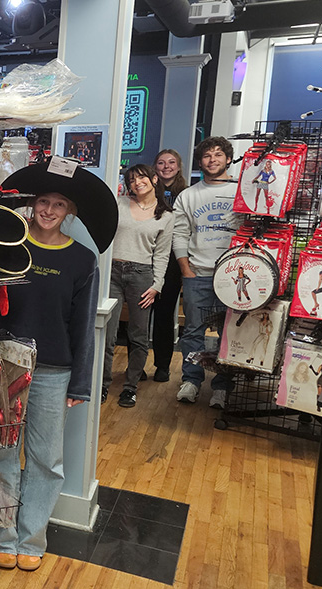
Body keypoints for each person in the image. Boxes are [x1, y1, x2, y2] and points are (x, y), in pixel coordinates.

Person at [0, 167, 107, 573]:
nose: (49, 209)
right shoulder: (6, 244)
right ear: (33, 203)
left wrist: (80, 384)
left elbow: (82, 328)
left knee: (46, 460)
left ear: (70, 212)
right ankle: (3, 536)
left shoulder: (83, 260)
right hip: (1, 367)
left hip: (52, 371)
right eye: (44, 201)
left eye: (59, 204)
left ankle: (31, 537)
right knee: (1, 454)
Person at [172, 137, 241, 408]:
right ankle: (191, 380)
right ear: (200, 161)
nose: (212, 160)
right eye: (207, 156)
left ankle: (222, 387)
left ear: (227, 158)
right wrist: (185, 269)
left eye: (218, 155)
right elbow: (180, 234)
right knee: (193, 331)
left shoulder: (240, 191)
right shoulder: (189, 195)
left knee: (230, 334)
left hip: (234, 276)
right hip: (197, 273)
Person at [102, 164, 174, 408]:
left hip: (142, 274)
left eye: (141, 177)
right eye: (132, 180)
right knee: (107, 333)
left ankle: (130, 388)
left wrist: (157, 285)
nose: (137, 183)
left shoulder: (166, 215)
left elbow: (162, 254)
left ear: (154, 179)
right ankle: (102, 384)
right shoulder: (119, 203)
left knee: (138, 334)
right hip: (112, 271)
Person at [149, 149, 188, 382]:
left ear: (179, 166)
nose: (166, 167)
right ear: (155, 167)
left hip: (173, 260)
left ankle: (162, 365)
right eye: (161, 162)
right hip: (147, 256)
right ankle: (136, 366)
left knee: (164, 314)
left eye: (171, 162)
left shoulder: (186, 194)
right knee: (141, 316)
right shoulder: (145, 190)